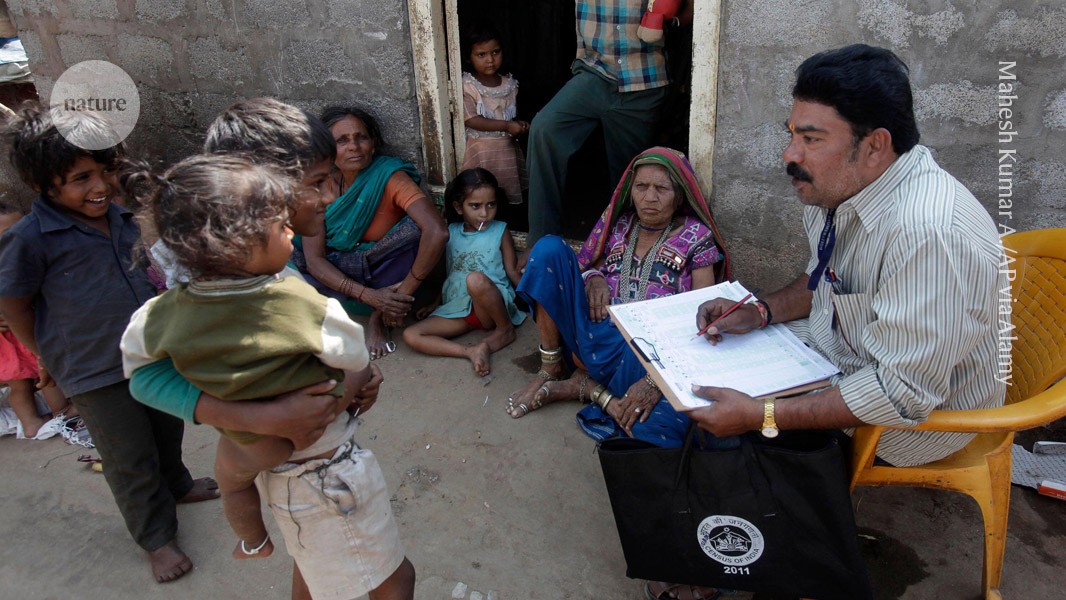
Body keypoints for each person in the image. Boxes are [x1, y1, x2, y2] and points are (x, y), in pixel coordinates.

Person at [126, 97, 399, 600]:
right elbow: (149, 374)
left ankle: (251, 540)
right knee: (393, 583)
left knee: (316, 574)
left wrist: (354, 377)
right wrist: (255, 417)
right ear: (259, 191)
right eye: (317, 183)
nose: (329, 195)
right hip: (312, 468)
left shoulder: (262, 270)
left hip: (303, 455)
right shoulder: (231, 286)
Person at [688, 44, 1008, 469]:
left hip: (912, 423)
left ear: (875, 146)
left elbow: (900, 394)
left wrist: (761, 415)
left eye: (811, 139)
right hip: (837, 356)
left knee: (718, 448)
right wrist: (760, 311)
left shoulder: (928, 234)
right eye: (792, 134)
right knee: (698, 381)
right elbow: (824, 279)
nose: (790, 154)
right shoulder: (842, 189)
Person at [0, 104, 218, 584]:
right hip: (92, 368)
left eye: (106, 170)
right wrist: (43, 353)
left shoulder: (119, 218)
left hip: (150, 354)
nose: (100, 186)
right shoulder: (30, 239)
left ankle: (177, 484)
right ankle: (156, 537)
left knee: (166, 430)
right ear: (42, 184)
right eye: (81, 178)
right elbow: (14, 304)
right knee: (128, 456)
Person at [509, 147, 729, 447]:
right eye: (641, 186)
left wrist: (654, 381)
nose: (649, 197)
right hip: (593, 335)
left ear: (679, 195)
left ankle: (590, 389)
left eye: (662, 188)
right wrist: (594, 277)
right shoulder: (620, 224)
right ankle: (552, 367)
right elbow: (590, 264)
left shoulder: (696, 236)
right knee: (548, 249)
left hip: (646, 354)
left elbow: (702, 312)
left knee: (667, 429)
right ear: (630, 190)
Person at [524, 0, 691, 251]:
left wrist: (670, 20)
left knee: (630, 172)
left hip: (643, 79)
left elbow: (693, 7)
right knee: (545, 129)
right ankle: (541, 243)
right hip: (595, 72)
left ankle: (622, 248)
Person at [291, 106, 448, 360]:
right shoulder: (321, 184)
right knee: (291, 264)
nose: (354, 146)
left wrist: (403, 294)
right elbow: (315, 259)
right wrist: (370, 296)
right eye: (342, 140)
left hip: (385, 273)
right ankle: (372, 307)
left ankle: (380, 316)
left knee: (414, 237)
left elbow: (437, 231)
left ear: (373, 144)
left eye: (361, 137)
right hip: (343, 271)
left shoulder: (389, 176)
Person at [403, 168, 525, 376]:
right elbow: (450, 273)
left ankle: (505, 329)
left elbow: (512, 271)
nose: (485, 213)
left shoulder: (499, 230)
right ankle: (470, 351)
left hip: (491, 308)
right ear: (459, 207)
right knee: (411, 334)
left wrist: (535, 302)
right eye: (475, 206)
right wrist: (435, 303)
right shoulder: (450, 232)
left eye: (491, 204)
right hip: (459, 308)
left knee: (475, 280)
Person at [0, 200, 74, 439]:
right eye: (8, 234)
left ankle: (33, 423)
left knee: (22, 383)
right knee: (45, 375)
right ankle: (60, 412)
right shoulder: (13, 265)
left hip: (12, 341)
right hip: (19, 337)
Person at [460, 22, 529, 205]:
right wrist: (507, 126)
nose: (490, 59)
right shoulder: (468, 85)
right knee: (481, 192)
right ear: (469, 58)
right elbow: (471, 119)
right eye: (481, 55)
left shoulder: (509, 84)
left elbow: (510, 115)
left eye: (495, 52)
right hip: (482, 152)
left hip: (506, 152)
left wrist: (519, 124)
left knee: (506, 196)